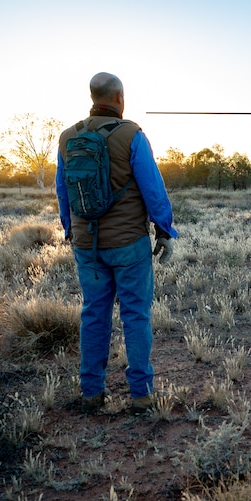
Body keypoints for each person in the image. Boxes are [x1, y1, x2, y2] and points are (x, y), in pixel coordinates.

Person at [56, 72, 179, 416]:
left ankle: (91, 392)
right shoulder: (132, 134)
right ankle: (140, 394)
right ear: (120, 97)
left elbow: (63, 191)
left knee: (94, 315)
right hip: (129, 245)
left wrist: (71, 230)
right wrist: (165, 229)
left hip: (87, 246)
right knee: (135, 316)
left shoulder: (68, 138)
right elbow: (153, 188)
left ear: (93, 97)